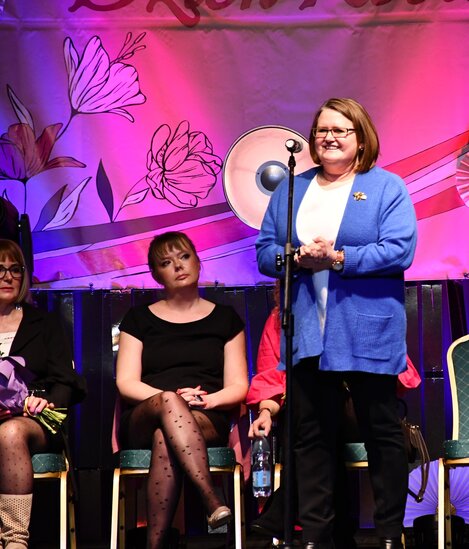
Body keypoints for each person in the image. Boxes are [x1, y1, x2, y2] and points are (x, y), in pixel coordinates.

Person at [256, 98, 418, 549]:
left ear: (361, 139)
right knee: (311, 437)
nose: (329, 137)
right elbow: (265, 252)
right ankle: (315, 537)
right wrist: (295, 257)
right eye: (322, 130)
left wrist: (339, 258)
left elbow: (400, 250)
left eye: (340, 130)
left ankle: (389, 534)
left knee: (382, 434)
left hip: (368, 329)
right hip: (309, 330)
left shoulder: (386, 187)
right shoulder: (292, 189)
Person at [115, 231, 249, 549]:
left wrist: (205, 400)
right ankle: (210, 499)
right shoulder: (138, 319)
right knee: (167, 405)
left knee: (166, 436)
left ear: (198, 261)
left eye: (184, 256)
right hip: (146, 412)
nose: (178, 266)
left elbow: (239, 385)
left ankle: (155, 546)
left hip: (205, 414)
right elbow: (126, 382)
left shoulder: (226, 319)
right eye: (166, 262)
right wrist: (172, 399)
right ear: (155, 274)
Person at [0, 239, 86, 548]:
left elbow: (67, 381)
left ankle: (14, 539)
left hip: (31, 421)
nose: (8, 277)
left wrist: (46, 401)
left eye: (15, 269)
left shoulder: (45, 323)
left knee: (9, 433)